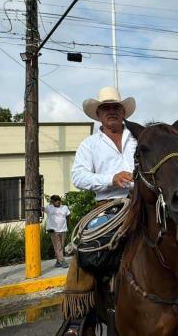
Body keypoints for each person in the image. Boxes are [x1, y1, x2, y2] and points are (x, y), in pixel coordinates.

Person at [65, 86, 138, 320]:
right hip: (108, 206)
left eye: (116, 107)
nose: (111, 111)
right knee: (87, 246)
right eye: (105, 108)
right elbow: (78, 177)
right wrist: (110, 178)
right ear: (98, 114)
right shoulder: (90, 144)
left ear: (123, 112)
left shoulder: (138, 138)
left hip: (140, 201)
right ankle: (78, 316)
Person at [45, 195, 70, 268]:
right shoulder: (49, 208)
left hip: (63, 229)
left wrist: (67, 226)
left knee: (61, 246)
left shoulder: (64, 207)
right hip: (54, 231)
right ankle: (62, 261)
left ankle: (58, 261)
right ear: (52, 202)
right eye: (55, 200)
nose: (58, 201)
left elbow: (68, 216)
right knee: (58, 246)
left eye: (58, 200)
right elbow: (41, 208)